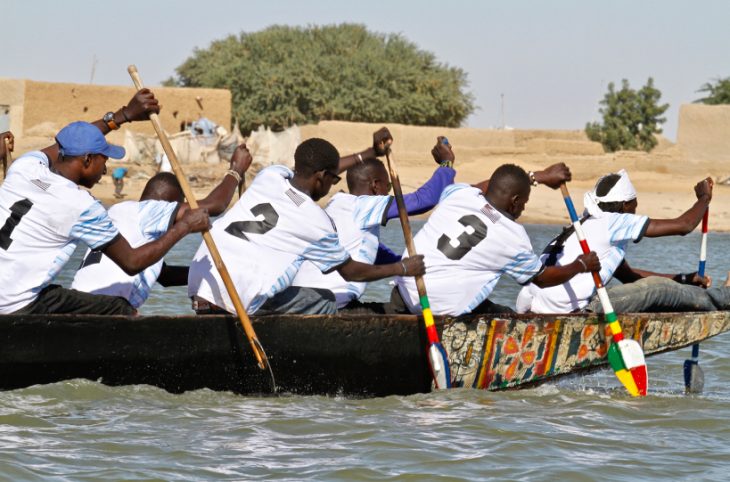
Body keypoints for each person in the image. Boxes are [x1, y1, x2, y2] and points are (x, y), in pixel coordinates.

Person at [0, 89, 210, 315]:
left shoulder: (24, 167)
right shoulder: (81, 205)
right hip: (13, 303)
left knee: (59, 294)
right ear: (88, 159)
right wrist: (185, 226)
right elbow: (132, 263)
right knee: (120, 308)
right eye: (104, 159)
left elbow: (69, 141)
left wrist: (123, 115)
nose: (106, 168)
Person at [188, 137, 426, 316]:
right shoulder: (316, 221)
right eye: (333, 179)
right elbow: (352, 272)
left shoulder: (270, 176)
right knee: (324, 299)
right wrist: (403, 267)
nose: (333, 185)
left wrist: (369, 153)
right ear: (321, 177)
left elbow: (317, 165)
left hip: (199, 283)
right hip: (236, 296)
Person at [391, 163, 601, 317]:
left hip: (405, 290)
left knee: (488, 303)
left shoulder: (458, 195)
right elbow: (543, 278)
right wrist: (581, 265)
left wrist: (540, 176)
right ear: (515, 201)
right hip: (435, 312)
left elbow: (487, 186)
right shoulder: (513, 237)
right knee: (508, 317)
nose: (523, 209)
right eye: (524, 203)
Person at [71, 144, 252, 309]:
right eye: (179, 207)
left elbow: (165, 276)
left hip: (79, 300)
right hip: (106, 308)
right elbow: (215, 205)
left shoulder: (119, 213)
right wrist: (236, 170)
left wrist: (214, 274)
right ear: (172, 205)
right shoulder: (150, 211)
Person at [516, 169, 723, 314]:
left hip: (533, 302)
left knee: (655, 287)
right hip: (566, 308)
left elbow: (629, 276)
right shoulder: (614, 221)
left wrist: (685, 279)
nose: (635, 211)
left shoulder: (585, 223)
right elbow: (684, 225)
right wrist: (704, 199)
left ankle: (707, 295)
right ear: (625, 206)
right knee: (659, 289)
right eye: (634, 205)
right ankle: (725, 298)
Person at [291, 132, 456, 311]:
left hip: (305, 299)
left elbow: (375, 254)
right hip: (332, 306)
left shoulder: (337, 205)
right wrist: (446, 163)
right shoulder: (363, 205)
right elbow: (426, 199)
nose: (388, 191)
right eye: (389, 186)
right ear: (376, 186)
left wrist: (415, 269)